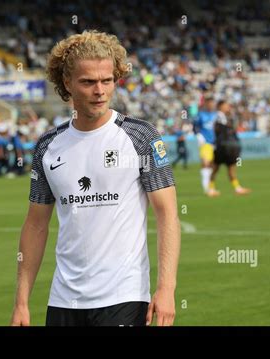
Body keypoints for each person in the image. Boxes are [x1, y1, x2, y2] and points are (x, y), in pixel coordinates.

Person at [10, 30, 181, 327]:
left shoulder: (141, 137)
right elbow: (36, 224)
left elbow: (167, 215)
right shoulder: (47, 146)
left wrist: (167, 288)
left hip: (124, 297)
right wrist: (22, 302)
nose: (100, 90)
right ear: (67, 84)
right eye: (88, 82)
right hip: (63, 301)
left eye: (107, 81)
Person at [208, 100, 251, 197]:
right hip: (221, 147)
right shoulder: (218, 116)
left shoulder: (226, 116)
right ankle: (211, 188)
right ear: (220, 106)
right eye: (226, 105)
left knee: (228, 168)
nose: (228, 107)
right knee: (216, 168)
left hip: (226, 147)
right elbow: (219, 130)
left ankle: (236, 188)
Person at [194, 97, 217, 194]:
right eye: (210, 103)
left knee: (212, 165)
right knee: (205, 163)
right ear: (206, 104)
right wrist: (199, 135)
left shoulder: (216, 115)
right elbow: (195, 127)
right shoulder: (201, 115)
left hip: (215, 142)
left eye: (213, 103)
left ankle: (211, 187)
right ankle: (206, 188)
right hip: (205, 142)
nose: (212, 105)